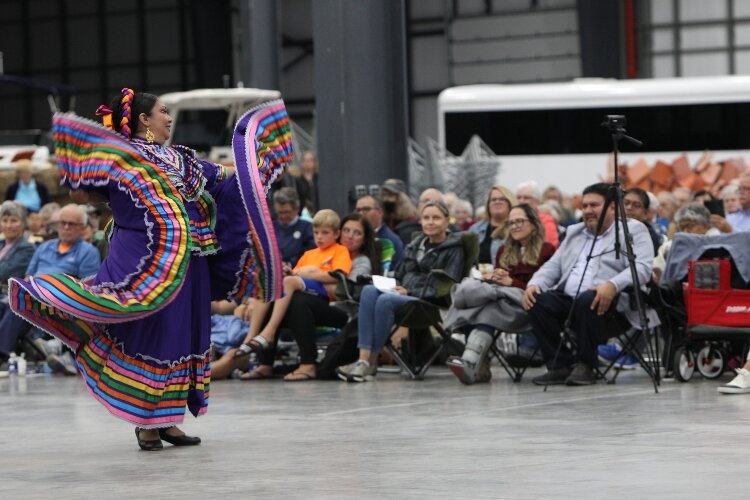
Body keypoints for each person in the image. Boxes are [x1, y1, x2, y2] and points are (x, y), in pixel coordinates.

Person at [9, 88, 291, 451]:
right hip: (144, 256)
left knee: (185, 332)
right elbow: (86, 193)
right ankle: (146, 422)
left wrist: (258, 164)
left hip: (191, 256)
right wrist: (80, 174)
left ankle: (169, 420)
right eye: (163, 111)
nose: (169, 118)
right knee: (150, 330)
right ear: (144, 119)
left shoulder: (182, 158)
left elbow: (226, 178)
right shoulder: (120, 157)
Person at [522, 182, 654, 386]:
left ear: (612, 207)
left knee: (588, 298)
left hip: (611, 305)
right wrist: (534, 283)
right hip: (570, 303)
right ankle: (560, 365)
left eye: (594, 205)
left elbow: (643, 268)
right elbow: (553, 266)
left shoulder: (633, 229)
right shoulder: (575, 232)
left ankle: (586, 364)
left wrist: (612, 284)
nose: (588, 211)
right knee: (537, 300)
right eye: (584, 206)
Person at [336, 200, 465, 383]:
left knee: (384, 301)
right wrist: (389, 284)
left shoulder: (454, 248)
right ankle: (363, 360)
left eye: (436, 218)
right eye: (426, 217)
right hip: (404, 296)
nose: (430, 222)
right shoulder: (414, 245)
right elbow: (400, 274)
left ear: (446, 222)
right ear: (420, 221)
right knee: (369, 291)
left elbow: (446, 285)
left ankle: (371, 361)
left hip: (430, 303)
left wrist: (409, 290)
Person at [242, 213, 381, 381]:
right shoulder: (320, 252)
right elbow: (304, 275)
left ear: (364, 239)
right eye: (347, 230)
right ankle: (265, 363)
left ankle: (307, 364)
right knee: (277, 294)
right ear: (340, 232)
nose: (350, 236)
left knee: (297, 301)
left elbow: (343, 290)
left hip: (344, 311)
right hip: (316, 301)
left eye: (357, 233)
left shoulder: (360, 261)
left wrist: (311, 274)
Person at [444, 204, 555, 384]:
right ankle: (475, 364)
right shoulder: (504, 251)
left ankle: (474, 362)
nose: (515, 226)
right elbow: (500, 284)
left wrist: (512, 282)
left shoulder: (547, 250)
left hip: (528, 306)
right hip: (502, 303)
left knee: (477, 306)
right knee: (481, 303)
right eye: (511, 223)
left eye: (520, 221)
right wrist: (494, 277)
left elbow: (546, 288)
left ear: (534, 224)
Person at [234, 209, 352, 363]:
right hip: (303, 287)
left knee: (288, 282)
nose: (319, 237)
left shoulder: (340, 250)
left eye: (325, 233)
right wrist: (289, 271)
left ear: (336, 234)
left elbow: (339, 275)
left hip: (322, 292)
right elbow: (295, 273)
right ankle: (250, 337)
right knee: (268, 283)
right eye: (316, 232)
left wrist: (309, 273)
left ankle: (269, 331)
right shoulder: (309, 254)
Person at [0, 204, 100, 367]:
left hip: (62, 299)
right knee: (7, 303)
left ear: (82, 227)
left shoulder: (88, 252)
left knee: (16, 307)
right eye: (63, 223)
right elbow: (28, 276)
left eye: (72, 224)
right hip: (34, 294)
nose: (66, 227)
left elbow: (87, 286)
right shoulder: (45, 247)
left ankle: (2, 354)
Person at [468, 185, 517, 269]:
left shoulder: (516, 228)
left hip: (504, 278)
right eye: (493, 199)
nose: (497, 202)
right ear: (488, 205)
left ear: (510, 203)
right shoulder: (475, 229)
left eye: (502, 199)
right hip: (476, 279)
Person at [356, 194, 404, 266]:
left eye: (366, 209)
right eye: (358, 210)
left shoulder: (391, 241)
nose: (361, 213)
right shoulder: (352, 237)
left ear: (380, 213)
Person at [272, 187, 315, 266]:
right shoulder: (271, 228)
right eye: (280, 212)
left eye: (287, 212)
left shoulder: (308, 228)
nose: (283, 216)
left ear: (297, 209)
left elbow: (309, 253)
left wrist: (290, 264)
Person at [515, 181, 559, 247]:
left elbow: (550, 247)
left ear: (537, 201)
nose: (521, 201)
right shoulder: (512, 219)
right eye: (518, 197)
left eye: (526, 198)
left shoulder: (546, 221)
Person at [380, 178, 418, 244]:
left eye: (390, 195)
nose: (385, 199)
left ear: (400, 198)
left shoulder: (410, 220)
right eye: (384, 195)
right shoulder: (383, 219)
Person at [624, 187, 662, 253]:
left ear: (646, 213)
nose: (629, 207)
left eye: (636, 205)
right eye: (626, 203)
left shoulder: (649, 235)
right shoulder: (610, 227)